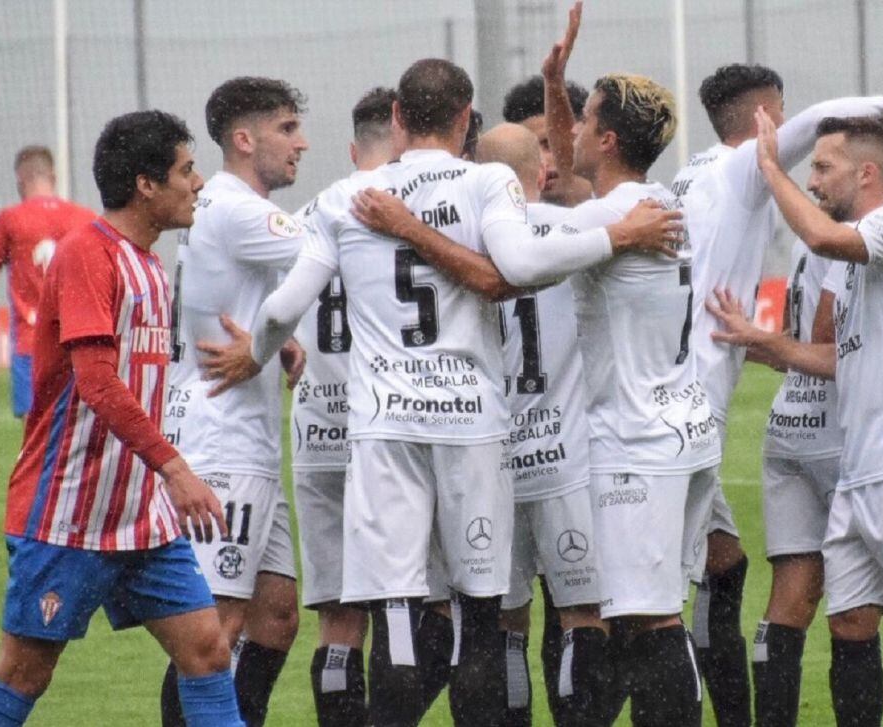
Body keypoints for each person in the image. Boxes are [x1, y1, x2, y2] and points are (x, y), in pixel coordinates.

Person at [201, 57, 680, 726]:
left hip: (386, 429)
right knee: (484, 614)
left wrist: (252, 353)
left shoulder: (346, 198)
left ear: (397, 117)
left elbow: (284, 304)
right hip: (473, 425)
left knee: (396, 613)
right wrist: (618, 235)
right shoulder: (486, 182)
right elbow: (518, 266)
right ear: (464, 120)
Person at [670, 62, 883, 727]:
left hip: (786, 427)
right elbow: (829, 344)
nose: (814, 176)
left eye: (822, 167)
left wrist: (754, 340)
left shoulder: (699, 185)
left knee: (787, 600)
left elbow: (799, 336)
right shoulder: (841, 234)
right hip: (845, 433)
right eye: (814, 164)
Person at [707, 113, 883, 727]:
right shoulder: (861, 257)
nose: (813, 180)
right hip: (860, 471)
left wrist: (768, 168)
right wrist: (759, 341)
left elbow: (821, 239)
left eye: (823, 167)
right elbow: (836, 355)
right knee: (849, 622)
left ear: (866, 174)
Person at [0, 110, 244, 727]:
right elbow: (96, 382)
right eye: (186, 169)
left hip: (140, 516)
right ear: (146, 184)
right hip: (67, 512)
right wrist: (175, 467)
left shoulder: (147, 263)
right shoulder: (89, 253)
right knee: (25, 671)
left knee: (207, 651)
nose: (197, 183)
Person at [159, 77, 310, 727]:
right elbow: (331, 252)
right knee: (212, 629)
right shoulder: (238, 208)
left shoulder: (226, 210)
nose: (300, 141)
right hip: (223, 445)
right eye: (286, 128)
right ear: (244, 140)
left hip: (243, 439)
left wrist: (277, 338)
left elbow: (254, 298)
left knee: (275, 614)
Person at [465, 121, 605, 726]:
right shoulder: (576, 231)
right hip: (564, 455)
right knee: (582, 615)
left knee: (505, 624)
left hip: (487, 458)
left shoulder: (462, 241)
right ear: (541, 173)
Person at [289, 85, 404, 727]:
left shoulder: (303, 215)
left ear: (352, 148)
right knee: (405, 608)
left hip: (317, 437)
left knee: (337, 619)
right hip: (391, 430)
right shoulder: (414, 212)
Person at [0, 146, 94, 419]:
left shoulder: (10, 219)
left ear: (20, 179)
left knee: (35, 434)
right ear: (53, 176)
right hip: (76, 340)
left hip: (32, 340)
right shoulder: (84, 218)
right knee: (72, 429)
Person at [503, 73, 592, 206]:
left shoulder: (625, 215)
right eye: (527, 150)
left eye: (550, 145)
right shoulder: (503, 220)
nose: (541, 160)